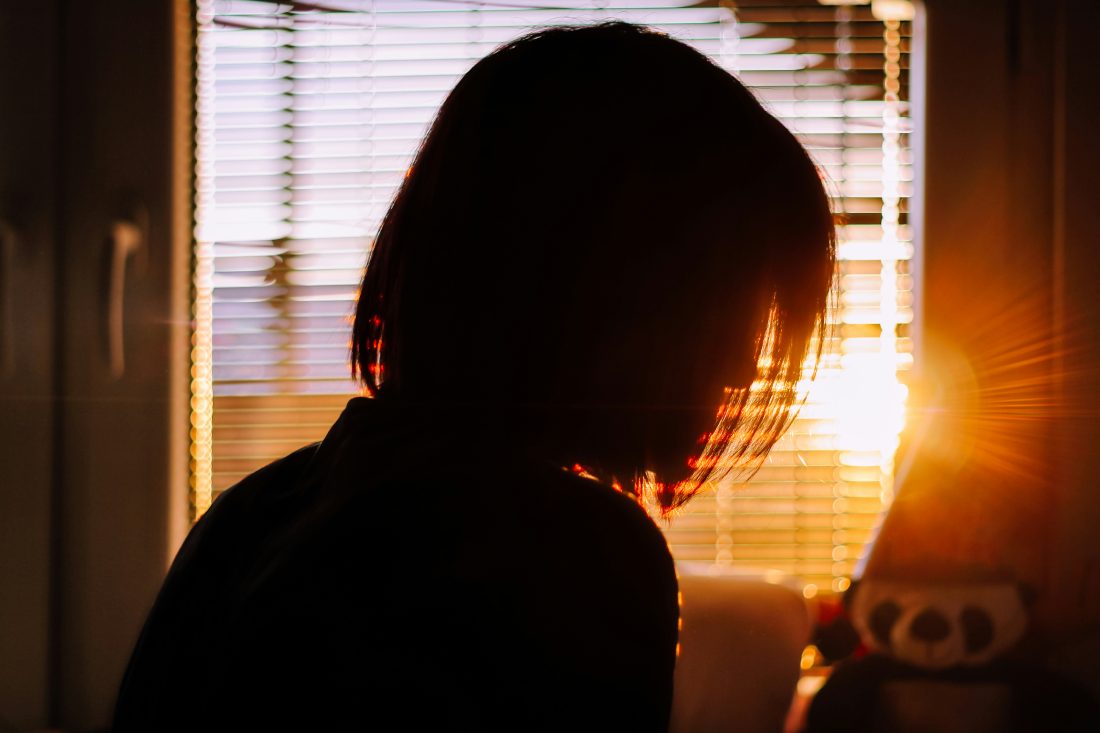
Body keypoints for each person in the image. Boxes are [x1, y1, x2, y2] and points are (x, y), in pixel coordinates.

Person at [113, 21, 834, 732]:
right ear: (618, 289)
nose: (746, 364)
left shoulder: (256, 514)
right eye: (731, 307)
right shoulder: (566, 552)